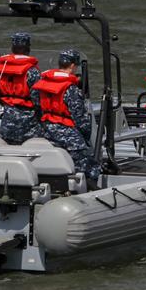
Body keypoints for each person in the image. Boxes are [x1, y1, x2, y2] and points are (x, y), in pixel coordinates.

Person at [33, 49, 103, 187]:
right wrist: (85, 138)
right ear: (72, 66)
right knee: (91, 165)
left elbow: (36, 104)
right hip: (67, 134)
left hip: (46, 130)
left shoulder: (42, 83)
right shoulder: (71, 89)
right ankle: (91, 191)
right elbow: (80, 120)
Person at [0, 31, 42, 144]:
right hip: (30, 130)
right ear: (28, 48)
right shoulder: (32, 71)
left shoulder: (1, 69)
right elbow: (38, 102)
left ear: (12, 48)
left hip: (6, 127)